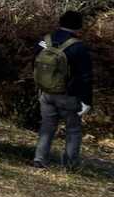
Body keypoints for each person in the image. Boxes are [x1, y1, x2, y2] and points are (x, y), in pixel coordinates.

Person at [33, 9, 94, 170]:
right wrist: (87, 101)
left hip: (45, 92)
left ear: (60, 22)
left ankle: (39, 159)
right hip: (68, 95)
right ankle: (70, 165)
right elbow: (86, 77)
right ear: (79, 26)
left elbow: (35, 60)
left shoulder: (45, 40)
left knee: (47, 126)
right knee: (73, 130)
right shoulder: (78, 47)